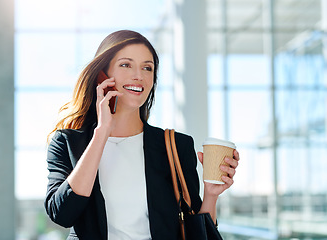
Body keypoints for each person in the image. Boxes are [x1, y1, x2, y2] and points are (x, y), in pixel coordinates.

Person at [45, 30, 240, 240]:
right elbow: (62, 214)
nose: (138, 75)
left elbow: (196, 234)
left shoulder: (175, 146)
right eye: (126, 65)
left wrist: (211, 195)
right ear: (103, 74)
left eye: (147, 68)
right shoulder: (68, 142)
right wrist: (101, 133)